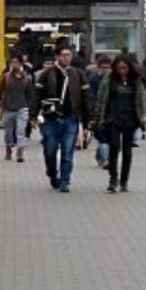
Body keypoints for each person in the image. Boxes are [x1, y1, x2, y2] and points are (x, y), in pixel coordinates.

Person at [34, 47, 91, 192]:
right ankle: (52, 174)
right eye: (64, 55)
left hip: (70, 118)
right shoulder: (46, 74)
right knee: (50, 150)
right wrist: (33, 115)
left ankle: (65, 180)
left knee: (68, 151)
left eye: (69, 55)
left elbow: (86, 98)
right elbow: (36, 96)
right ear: (57, 56)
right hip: (50, 119)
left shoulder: (78, 74)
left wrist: (88, 119)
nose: (67, 58)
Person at [94, 54, 146, 193]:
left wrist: (144, 115)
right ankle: (113, 179)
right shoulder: (109, 79)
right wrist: (98, 117)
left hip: (130, 119)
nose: (121, 71)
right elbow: (101, 98)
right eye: (118, 68)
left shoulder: (135, 81)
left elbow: (143, 99)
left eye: (124, 68)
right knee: (114, 148)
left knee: (127, 151)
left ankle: (124, 181)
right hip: (113, 119)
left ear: (129, 68)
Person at [0, 59, 36, 162]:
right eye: (12, 63)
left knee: (21, 130)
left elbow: (30, 95)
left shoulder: (26, 78)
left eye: (17, 63)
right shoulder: (6, 77)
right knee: (8, 132)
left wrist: (30, 109)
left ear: (21, 64)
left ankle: (20, 153)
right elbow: (0, 91)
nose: (14, 65)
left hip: (22, 109)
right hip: (8, 108)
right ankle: (8, 149)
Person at [86, 56, 111, 169]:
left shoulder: (114, 80)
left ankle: (102, 156)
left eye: (108, 67)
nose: (105, 70)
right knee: (102, 137)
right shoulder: (93, 80)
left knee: (108, 138)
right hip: (98, 113)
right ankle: (105, 159)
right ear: (98, 68)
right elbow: (90, 97)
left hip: (112, 113)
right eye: (103, 67)